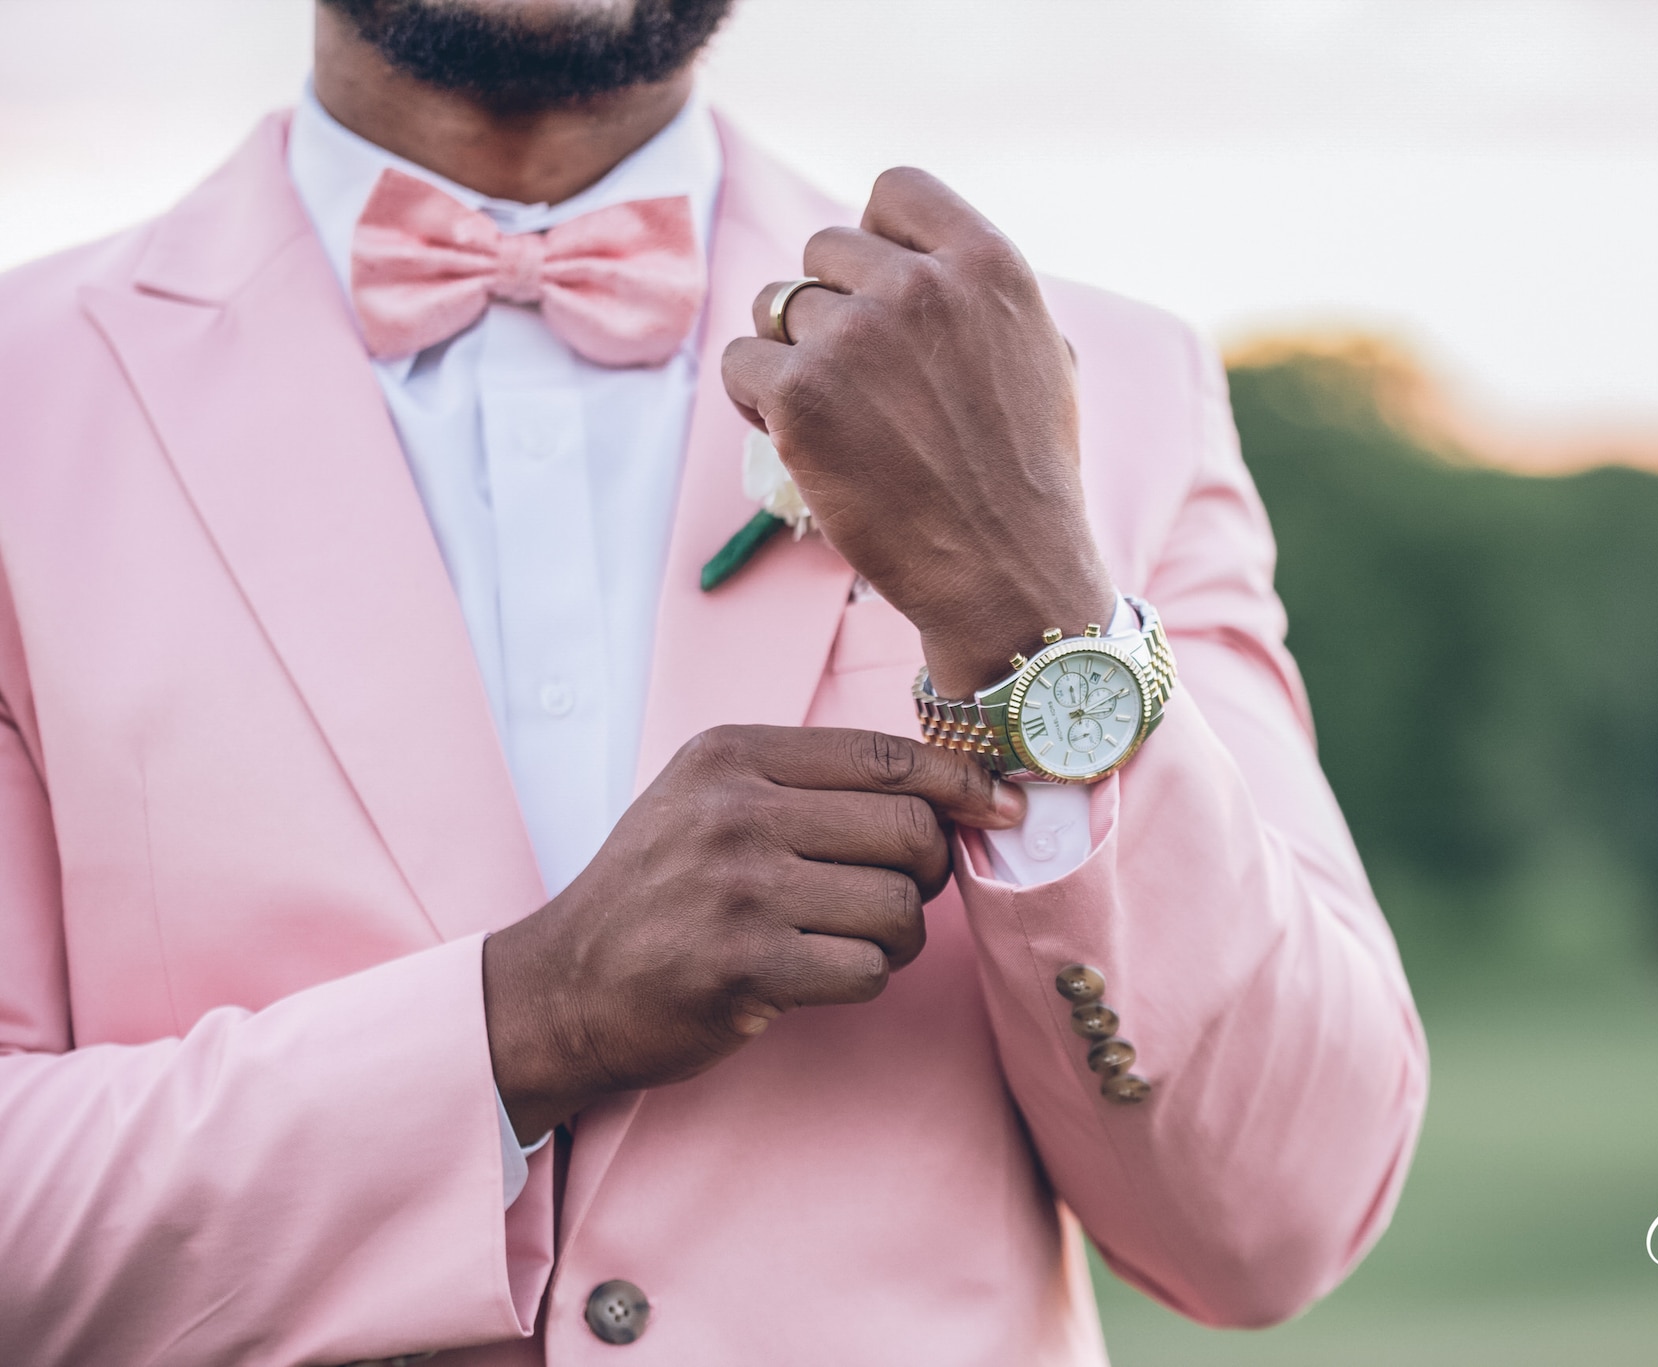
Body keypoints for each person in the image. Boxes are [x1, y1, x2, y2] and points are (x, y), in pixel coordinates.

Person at [0, 1, 1426, 1362]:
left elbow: (1279, 1221)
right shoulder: (26, 402)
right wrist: (521, 1026)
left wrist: (1035, 603)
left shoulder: (1108, 388)